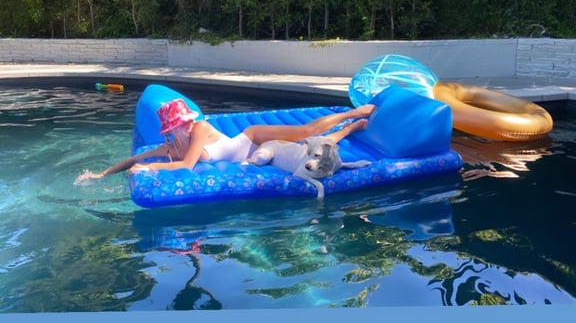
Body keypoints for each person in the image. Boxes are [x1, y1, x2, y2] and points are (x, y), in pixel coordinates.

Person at [74, 97, 375, 183]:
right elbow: (134, 159)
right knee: (313, 147)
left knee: (306, 134)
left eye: (184, 124)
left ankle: (354, 112)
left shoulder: (200, 128)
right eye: (180, 126)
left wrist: (152, 169)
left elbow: (188, 164)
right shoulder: (170, 145)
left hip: (251, 138)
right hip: (256, 151)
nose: (184, 128)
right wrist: (101, 174)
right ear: (171, 130)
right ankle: (349, 130)